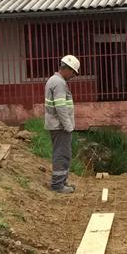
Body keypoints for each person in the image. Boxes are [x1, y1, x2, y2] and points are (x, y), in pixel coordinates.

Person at [44, 55, 80, 193]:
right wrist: (68, 126)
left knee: (63, 153)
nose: (73, 76)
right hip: (60, 126)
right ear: (68, 69)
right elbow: (60, 107)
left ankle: (62, 182)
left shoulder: (54, 80)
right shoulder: (59, 83)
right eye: (73, 73)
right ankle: (58, 185)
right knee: (62, 154)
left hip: (56, 125)